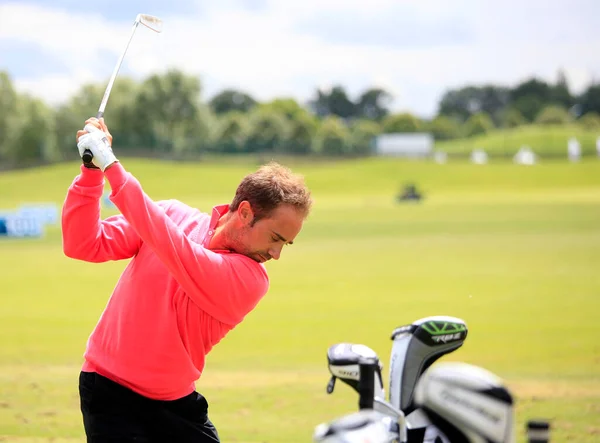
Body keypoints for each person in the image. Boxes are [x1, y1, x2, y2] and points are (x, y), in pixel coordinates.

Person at [62, 117, 313, 442]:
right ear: (247, 213)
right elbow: (84, 243)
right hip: (110, 394)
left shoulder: (252, 280)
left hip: (177, 406)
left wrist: (111, 165)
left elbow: (177, 251)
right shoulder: (172, 214)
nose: (276, 254)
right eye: (275, 238)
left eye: (285, 244)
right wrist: (92, 171)